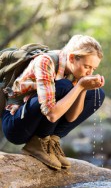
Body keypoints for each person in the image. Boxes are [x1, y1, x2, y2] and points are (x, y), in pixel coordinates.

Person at [1, 34, 105, 170]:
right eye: (87, 67)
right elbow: (52, 115)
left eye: (93, 69)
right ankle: (39, 142)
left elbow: (71, 117)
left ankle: (51, 142)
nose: (89, 72)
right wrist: (79, 86)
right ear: (72, 58)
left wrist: (83, 88)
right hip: (16, 125)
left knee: (97, 94)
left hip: (36, 120)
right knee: (64, 86)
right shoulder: (45, 61)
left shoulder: (73, 72)